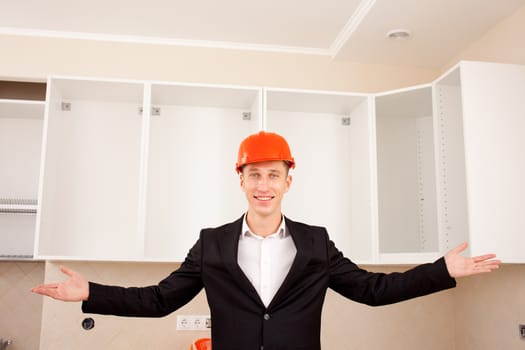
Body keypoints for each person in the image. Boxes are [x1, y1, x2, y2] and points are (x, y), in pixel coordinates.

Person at [32, 131, 501, 350]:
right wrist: (89, 293)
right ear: (240, 179)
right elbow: (159, 299)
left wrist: (442, 271)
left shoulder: (316, 243)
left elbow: (372, 291)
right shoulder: (211, 244)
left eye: (272, 175)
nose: (263, 184)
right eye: (254, 174)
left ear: (287, 180)